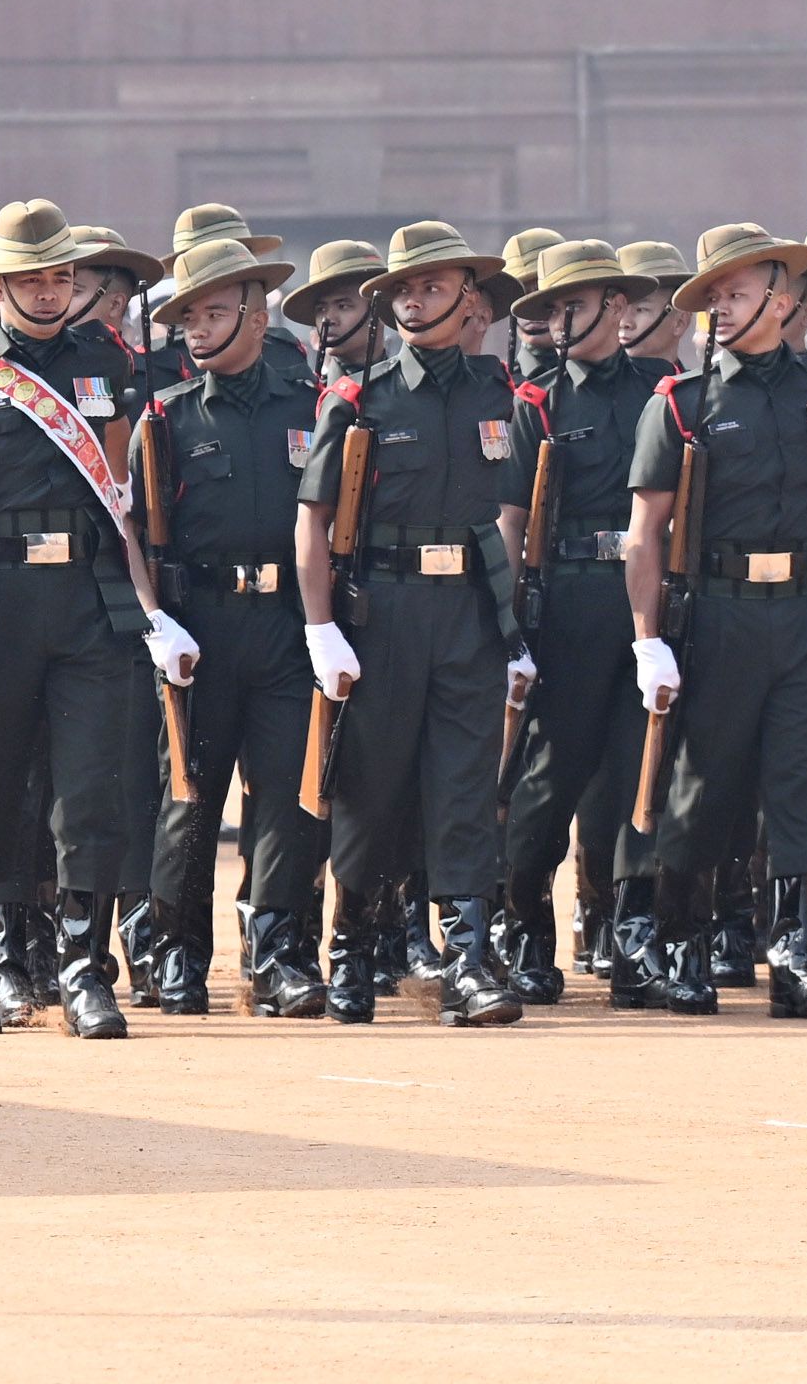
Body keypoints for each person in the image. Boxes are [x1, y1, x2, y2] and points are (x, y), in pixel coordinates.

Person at [0, 201, 194, 1038]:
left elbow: (121, 502)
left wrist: (149, 610)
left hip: (92, 601)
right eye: (31, 277)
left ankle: (81, 968)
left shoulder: (107, 362)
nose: (49, 289)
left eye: (61, 275)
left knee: (93, 790)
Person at [623, 224, 807, 1018]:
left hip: (804, 612)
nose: (720, 308)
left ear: (783, 300)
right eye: (714, 296)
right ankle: (682, 943)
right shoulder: (684, 403)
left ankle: (793, 951)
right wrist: (649, 641)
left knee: (801, 789)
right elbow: (645, 534)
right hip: (718, 613)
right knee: (706, 787)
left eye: (736, 293)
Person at [297, 222, 526, 1028]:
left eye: (433, 286)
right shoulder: (361, 398)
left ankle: (468, 957)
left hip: (468, 611)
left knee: (465, 784)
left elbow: (509, 515)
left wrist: (512, 624)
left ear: (470, 298)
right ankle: (354, 948)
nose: (415, 300)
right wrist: (321, 629)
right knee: (374, 786)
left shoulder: (499, 394)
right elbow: (313, 520)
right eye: (403, 289)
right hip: (384, 610)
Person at [128, 234, 329, 1018]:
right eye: (188, 319)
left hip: (286, 623)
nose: (198, 329)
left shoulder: (311, 408)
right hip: (201, 626)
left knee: (286, 797)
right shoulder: (167, 418)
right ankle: (177, 953)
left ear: (257, 314)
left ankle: (277, 956)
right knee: (190, 798)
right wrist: (157, 622)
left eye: (214, 312)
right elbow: (133, 534)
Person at [492, 240, 667, 1005]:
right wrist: (510, 626)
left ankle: (632, 937)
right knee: (551, 774)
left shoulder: (665, 391)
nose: (560, 320)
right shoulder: (539, 402)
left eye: (575, 304)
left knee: (641, 772)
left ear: (617, 306)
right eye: (552, 308)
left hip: (648, 600)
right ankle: (526, 925)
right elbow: (510, 520)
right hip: (568, 597)